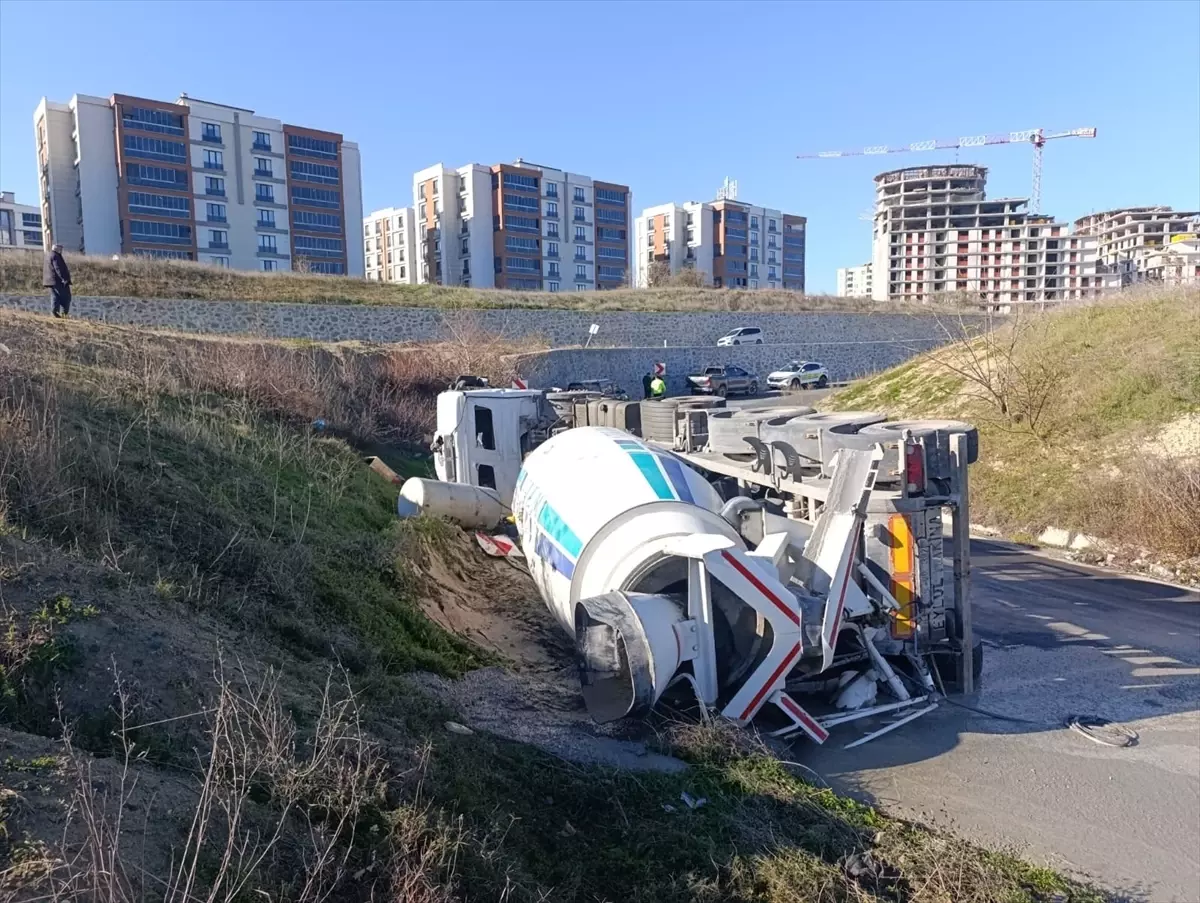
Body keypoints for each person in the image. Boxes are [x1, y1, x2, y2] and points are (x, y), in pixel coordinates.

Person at [43, 243, 72, 319]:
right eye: (61, 248)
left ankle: (55, 312)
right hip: (58, 281)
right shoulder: (56, 256)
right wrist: (64, 279)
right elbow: (58, 268)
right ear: (57, 249)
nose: (61, 250)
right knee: (66, 297)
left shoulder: (49, 255)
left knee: (55, 296)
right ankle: (63, 313)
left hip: (50, 281)